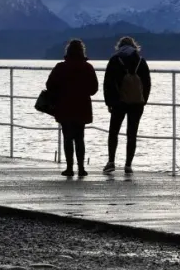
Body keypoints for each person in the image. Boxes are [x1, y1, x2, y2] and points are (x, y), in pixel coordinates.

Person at [46, 39, 99, 177]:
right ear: (82, 51)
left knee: (67, 137)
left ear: (67, 51)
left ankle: (69, 168)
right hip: (82, 107)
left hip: (64, 106)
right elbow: (94, 89)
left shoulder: (60, 67)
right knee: (80, 137)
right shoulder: (88, 67)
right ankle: (81, 168)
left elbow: (49, 85)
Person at [102, 36, 151, 174]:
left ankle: (111, 162)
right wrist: (143, 100)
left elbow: (108, 83)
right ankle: (128, 165)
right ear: (134, 46)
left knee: (113, 132)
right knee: (132, 134)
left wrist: (109, 102)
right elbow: (147, 83)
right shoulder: (140, 61)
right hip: (137, 102)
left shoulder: (115, 60)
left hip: (118, 102)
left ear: (119, 46)